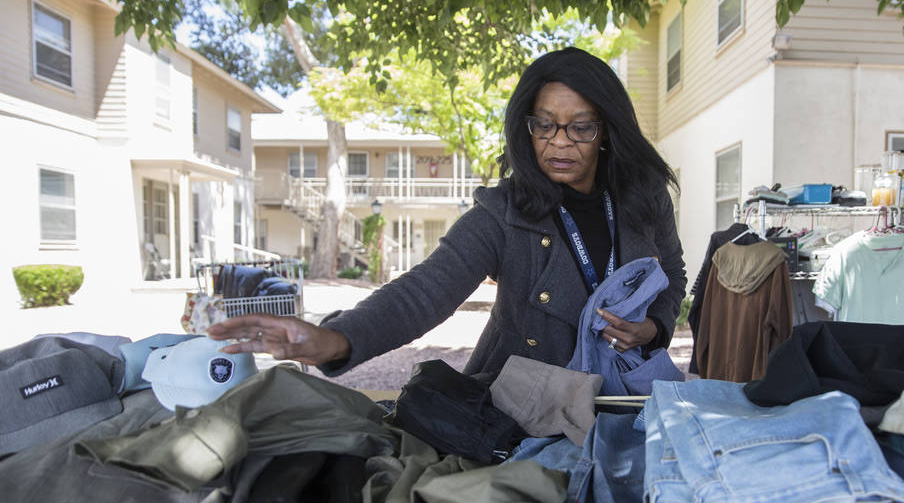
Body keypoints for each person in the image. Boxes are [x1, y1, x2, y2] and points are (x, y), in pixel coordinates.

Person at [208, 46, 686, 382]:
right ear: (527, 127)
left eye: (580, 127)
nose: (559, 141)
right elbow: (424, 292)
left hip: (623, 394)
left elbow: (672, 274)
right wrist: (336, 338)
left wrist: (654, 328)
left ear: (606, 130)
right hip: (523, 409)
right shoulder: (503, 213)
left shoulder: (642, 198)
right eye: (544, 125)